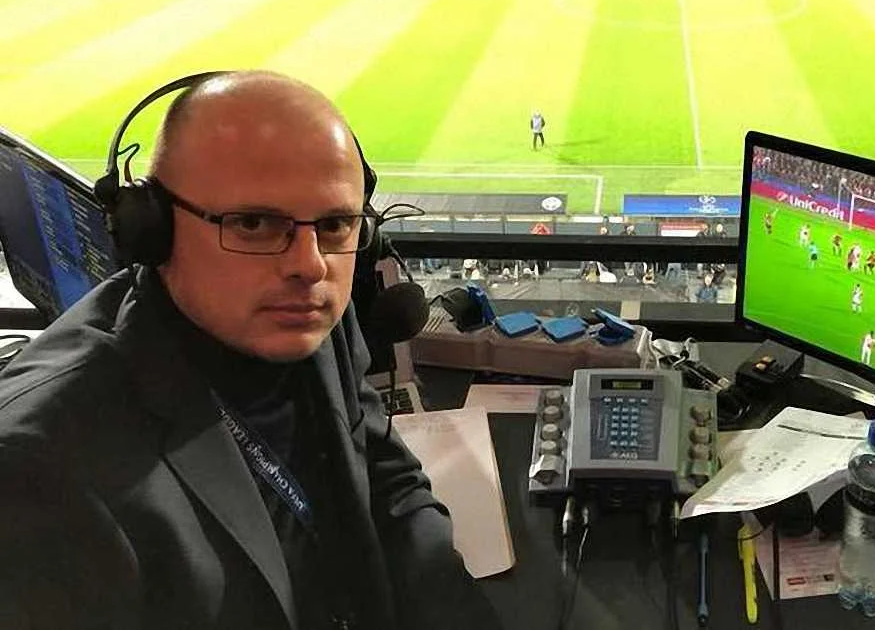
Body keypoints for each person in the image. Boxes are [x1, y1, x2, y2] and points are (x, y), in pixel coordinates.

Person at [0, 71, 501, 630]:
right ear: (152, 229)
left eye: (336, 224)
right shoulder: (36, 468)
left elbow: (390, 483)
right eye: (255, 223)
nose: (310, 265)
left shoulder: (309, 318)